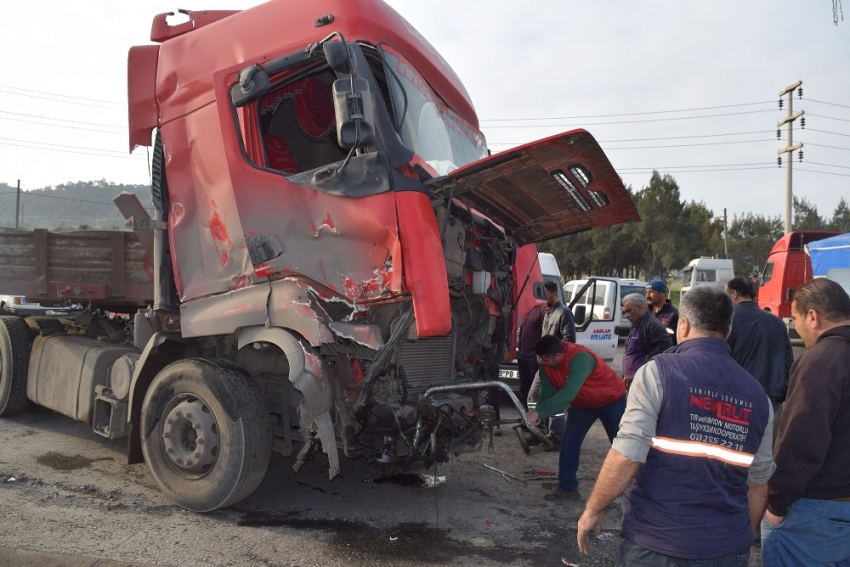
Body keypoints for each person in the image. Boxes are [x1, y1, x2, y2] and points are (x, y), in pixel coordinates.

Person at [576, 286, 774, 565]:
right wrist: (746, 536)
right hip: (728, 548)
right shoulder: (759, 397)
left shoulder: (658, 373)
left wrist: (593, 509)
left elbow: (627, 454)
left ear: (684, 324)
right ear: (728, 331)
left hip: (658, 545)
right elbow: (758, 481)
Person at [761, 278, 850, 566]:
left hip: (816, 510)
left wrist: (776, 502)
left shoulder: (821, 360)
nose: (795, 327)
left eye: (795, 318)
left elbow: (801, 439)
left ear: (813, 316)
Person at [527, 335, 626, 501]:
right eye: (541, 359)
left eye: (545, 359)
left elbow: (568, 393)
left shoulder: (580, 358)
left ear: (558, 356)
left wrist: (541, 411)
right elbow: (546, 395)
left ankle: (633, 488)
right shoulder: (546, 367)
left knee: (622, 446)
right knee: (569, 443)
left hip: (611, 400)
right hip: (583, 405)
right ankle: (567, 488)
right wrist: (539, 414)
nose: (543, 363)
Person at [725, 277, 793, 421]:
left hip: (737, 396)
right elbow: (788, 363)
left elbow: (720, 358)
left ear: (734, 294)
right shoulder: (777, 323)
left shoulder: (728, 321)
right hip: (772, 397)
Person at [526, 280, 576, 442]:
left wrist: (556, 359)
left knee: (554, 401)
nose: (543, 297)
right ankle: (538, 431)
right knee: (533, 396)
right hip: (544, 365)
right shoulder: (546, 312)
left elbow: (569, 340)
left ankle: (557, 436)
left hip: (555, 366)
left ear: (554, 293)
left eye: (545, 294)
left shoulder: (563, 312)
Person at [621, 293, 671, 387]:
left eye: (628, 311)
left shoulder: (652, 324)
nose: (627, 315)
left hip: (642, 382)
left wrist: (640, 369)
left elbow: (666, 346)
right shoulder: (636, 323)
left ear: (639, 307)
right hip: (631, 381)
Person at [517, 302, 546, 409]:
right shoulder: (524, 311)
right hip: (522, 355)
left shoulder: (541, 310)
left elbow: (548, 329)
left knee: (534, 390)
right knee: (524, 388)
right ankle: (527, 415)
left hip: (534, 356)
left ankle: (536, 417)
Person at [645, 279, 678, 344]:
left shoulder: (674, 314)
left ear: (662, 294)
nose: (647, 296)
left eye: (651, 292)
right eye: (646, 292)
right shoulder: (644, 312)